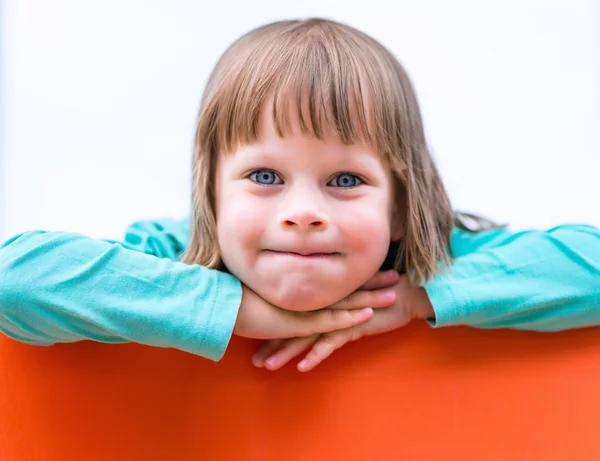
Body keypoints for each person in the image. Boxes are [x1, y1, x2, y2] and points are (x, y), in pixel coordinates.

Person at [1, 18, 599, 372]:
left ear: (399, 206)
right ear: (210, 197)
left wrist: (414, 299)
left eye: (345, 180)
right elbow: (14, 279)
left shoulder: (430, 264)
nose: (304, 213)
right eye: (265, 177)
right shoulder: (171, 252)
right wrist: (233, 312)